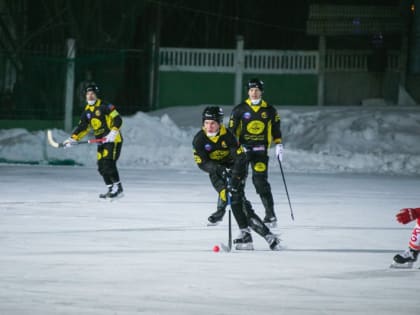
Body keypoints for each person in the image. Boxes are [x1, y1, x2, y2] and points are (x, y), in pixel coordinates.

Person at [192, 106, 281, 250]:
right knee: (230, 197)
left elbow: (240, 159)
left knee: (235, 198)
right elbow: (202, 163)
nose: (209, 126)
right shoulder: (199, 139)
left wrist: (234, 179)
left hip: (236, 168)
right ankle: (262, 235)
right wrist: (218, 168)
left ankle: (251, 235)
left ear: (219, 123)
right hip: (216, 171)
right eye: (206, 123)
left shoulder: (228, 136)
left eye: (213, 123)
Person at [228, 78, 283, 227]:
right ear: (248, 91)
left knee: (260, 181)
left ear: (262, 92)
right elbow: (231, 132)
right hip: (243, 152)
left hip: (260, 151)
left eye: (257, 90)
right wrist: (234, 149)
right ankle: (243, 213)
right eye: (251, 90)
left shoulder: (269, 110)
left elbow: (276, 128)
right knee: (239, 182)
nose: (254, 93)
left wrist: (278, 144)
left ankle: (270, 215)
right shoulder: (240, 109)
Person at [63, 84, 124, 199]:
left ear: (96, 95)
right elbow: (83, 128)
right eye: (88, 94)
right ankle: (111, 189)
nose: (90, 96)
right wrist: (72, 139)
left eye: (92, 94)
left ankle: (119, 189)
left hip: (113, 140)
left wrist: (113, 132)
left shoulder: (105, 106)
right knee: (101, 167)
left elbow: (118, 119)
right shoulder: (87, 111)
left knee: (108, 163)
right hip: (101, 141)